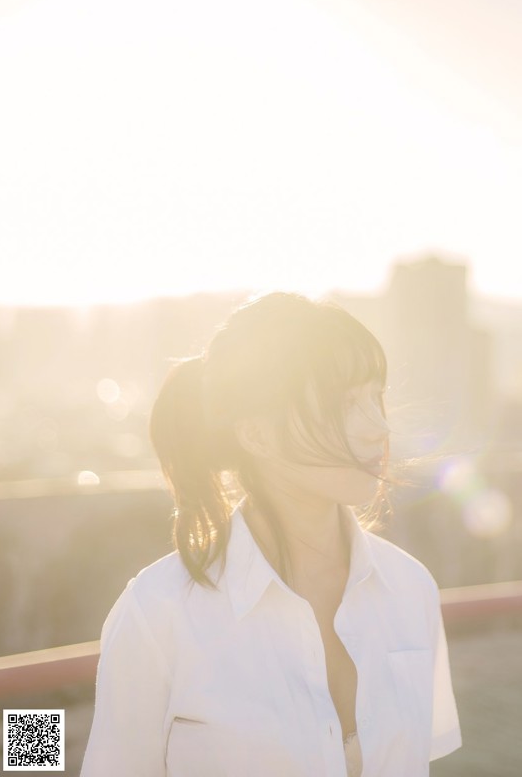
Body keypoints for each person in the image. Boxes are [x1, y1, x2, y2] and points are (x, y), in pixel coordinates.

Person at [80, 292, 461, 777]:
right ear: (257, 435)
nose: (379, 428)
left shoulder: (412, 588)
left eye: (375, 396)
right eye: (345, 404)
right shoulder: (158, 611)